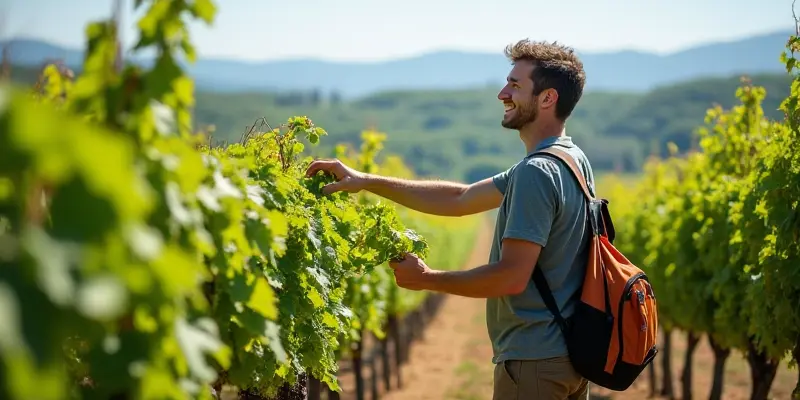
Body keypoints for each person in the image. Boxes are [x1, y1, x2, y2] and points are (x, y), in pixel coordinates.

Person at [305, 39, 593, 400]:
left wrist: (428, 279)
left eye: (515, 85)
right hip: (569, 355)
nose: (503, 93)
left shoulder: (536, 172)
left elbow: (511, 277)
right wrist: (365, 181)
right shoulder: (570, 159)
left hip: (534, 359)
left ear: (547, 98)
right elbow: (461, 198)